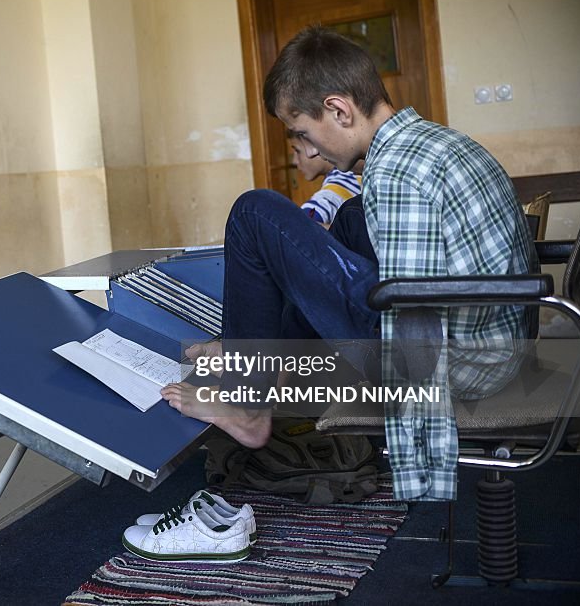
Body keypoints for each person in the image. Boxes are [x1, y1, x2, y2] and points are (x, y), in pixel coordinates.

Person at [161, 25, 536, 500]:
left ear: (339, 109)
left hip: (456, 362)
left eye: (303, 133)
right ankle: (259, 354)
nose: (310, 150)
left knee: (256, 213)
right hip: (492, 339)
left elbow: (412, 336)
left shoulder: (399, 172)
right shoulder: (432, 142)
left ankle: (249, 400)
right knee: (352, 217)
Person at [291, 134, 361, 227]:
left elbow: (325, 201)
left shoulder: (342, 182)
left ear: (316, 145)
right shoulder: (351, 173)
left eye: (297, 151)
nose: (294, 161)